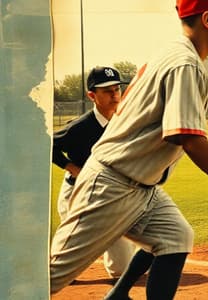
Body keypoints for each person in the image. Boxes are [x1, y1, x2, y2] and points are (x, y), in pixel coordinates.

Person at [48, 1, 208, 299]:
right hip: (111, 185)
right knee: (47, 277)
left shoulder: (173, 53)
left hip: (141, 187)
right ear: (207, 19)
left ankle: (116, 296)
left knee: (174, 236)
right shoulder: (185, 64)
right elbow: (187, 138)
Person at [51, 66, 137, 280]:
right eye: (107, 90)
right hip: (78, 193)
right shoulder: (79, 127)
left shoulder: (125, 122)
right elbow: (47, 144)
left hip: (111, 193)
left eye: (117, 89)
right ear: (92, 95)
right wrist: (72, 168)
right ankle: (52, 269)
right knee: (62, 268)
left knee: (123, 270)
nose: (114, 94)